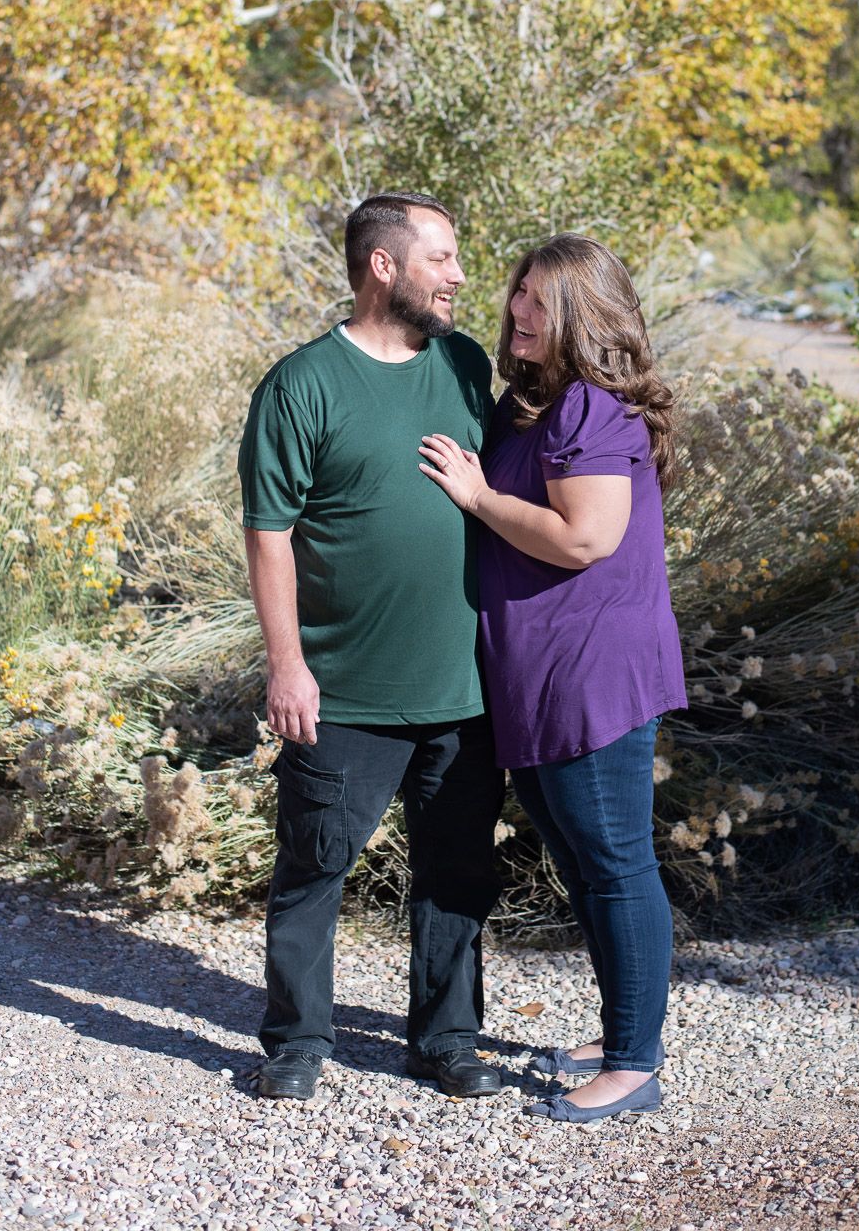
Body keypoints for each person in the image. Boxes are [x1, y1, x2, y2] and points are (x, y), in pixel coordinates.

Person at [238, 192, 504, 1103]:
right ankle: (297, 1040)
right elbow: (268, 533)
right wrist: (287, 665)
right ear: (383, 266)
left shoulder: (468, 368)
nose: (460, 275)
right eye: (442, 258)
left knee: (458, 871)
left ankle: (445, 1040)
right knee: (315, 868)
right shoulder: (301, 384)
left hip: (466, 688)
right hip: (342, 690)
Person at [419, 234, 686, 1125]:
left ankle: (633, 1064)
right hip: (536, 671)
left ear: (581, 311)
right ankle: (623, 1030)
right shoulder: (530, 405)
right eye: (516, 295)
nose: (516, 311)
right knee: (580, 859)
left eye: (537, 299)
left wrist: (476, 497)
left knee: (613, 863)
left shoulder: (592, 409)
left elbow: (583, 539)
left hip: (591, 671)